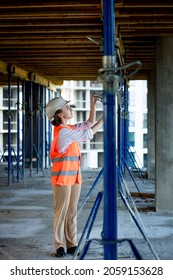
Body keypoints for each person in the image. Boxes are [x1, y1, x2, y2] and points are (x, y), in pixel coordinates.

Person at [46, 94, 103, 257]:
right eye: (67, 108)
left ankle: (72, 244)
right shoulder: (62, 133)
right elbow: (87, 134)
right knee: (61, 211)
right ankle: (59, 245)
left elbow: (87, 125)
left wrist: (92, 106)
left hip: (74, 178)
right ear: (59, 114)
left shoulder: (69, 129)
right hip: (62, 179)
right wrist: (105, 119)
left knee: (71, 211)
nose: (71, 109)